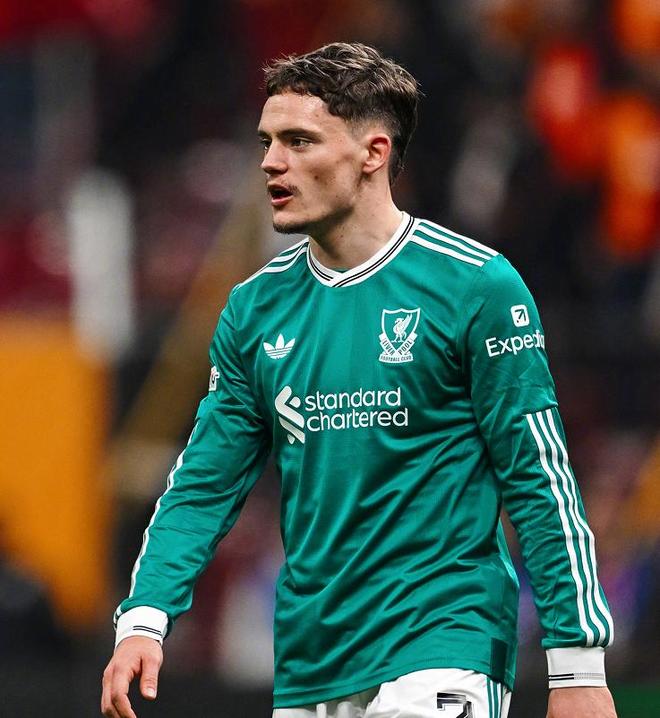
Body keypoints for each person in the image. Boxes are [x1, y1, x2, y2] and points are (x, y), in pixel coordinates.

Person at [101, 42, 619, 718]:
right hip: (311, 663)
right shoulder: (255, 310)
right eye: (266, 142)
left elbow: (538, 478)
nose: (271, 162)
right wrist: (144, 617)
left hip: (441, 644)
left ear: (373, 153)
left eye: (298, 141)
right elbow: (203, 484)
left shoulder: (475, 286)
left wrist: (577, 666)